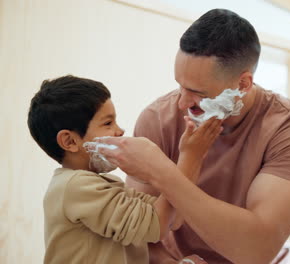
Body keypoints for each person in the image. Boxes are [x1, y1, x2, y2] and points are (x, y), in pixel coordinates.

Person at [97, 8, 290, 264]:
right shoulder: (157, 119)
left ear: (243, 84)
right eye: (179, 86)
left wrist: (162, 171)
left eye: (197, 92)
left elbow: (256, 250)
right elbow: (136, 236)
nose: (181, 103)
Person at [27, 75, 221, 264]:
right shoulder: (75, 187)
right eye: (108, 123)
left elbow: (174, 218)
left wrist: (195, 157)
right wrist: (190, 156)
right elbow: (160, 224)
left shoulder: (105, 185)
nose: (120, 131)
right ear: (70, 141)